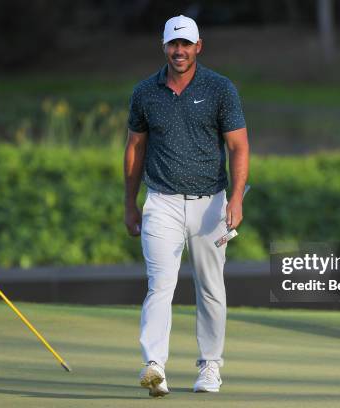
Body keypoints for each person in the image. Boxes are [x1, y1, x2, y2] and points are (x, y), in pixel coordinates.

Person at [123, 14, 249, 398]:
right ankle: (154, 366)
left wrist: (237, 198)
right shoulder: (145, 92)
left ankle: (210, 366)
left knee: (211, 287)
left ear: (198, 47)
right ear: (164, 47)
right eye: (173, 44)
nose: (179, 51)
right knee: (159, 285)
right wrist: (130, 203)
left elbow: (238, 146)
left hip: (211, 203)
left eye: (186, 44)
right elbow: (134, 148)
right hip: (160, 201)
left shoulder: (219, 89)